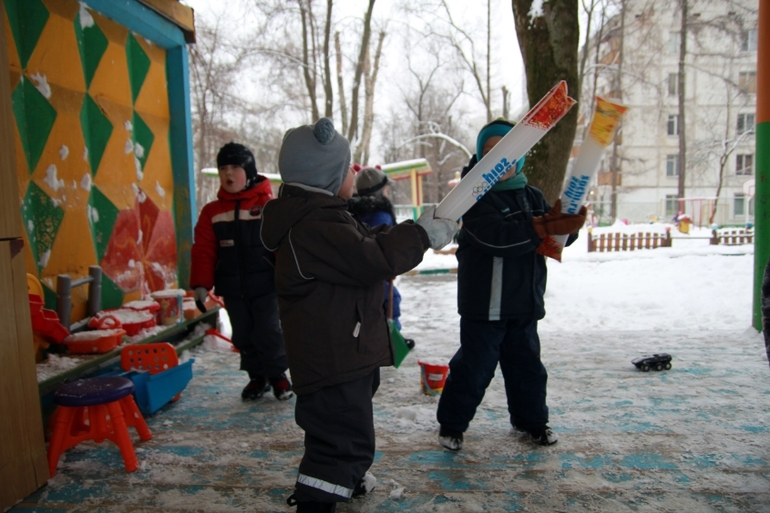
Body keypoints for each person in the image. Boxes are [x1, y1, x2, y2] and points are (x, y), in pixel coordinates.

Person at [259, 118, 457, 513]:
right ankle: (319, 498)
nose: (353, 175)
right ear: (329, 176)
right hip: (333, 354)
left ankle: (344, 480)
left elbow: (364, 244)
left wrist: (414, 227)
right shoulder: (315, 223)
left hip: (337, 348)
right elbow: (372, 259)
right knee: (342, 441)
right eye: (348, 168)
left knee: (344, 426)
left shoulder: (319, 216)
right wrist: (420, 237)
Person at [436, 119, 586, 451]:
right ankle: (452, 425)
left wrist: (566, 225)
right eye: (490, 152)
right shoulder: (471, 198)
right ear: (480, 156)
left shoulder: (531, 195)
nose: (500, 160)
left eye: (508, 152)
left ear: (520, 157)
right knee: (474, 369)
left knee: (527, 369)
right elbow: (498, 239)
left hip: (523, 304)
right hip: (484, 306)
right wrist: (543, 227)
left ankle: (532, 422)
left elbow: (553, 240)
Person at [190, 142, 293, 402]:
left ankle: (279, 375)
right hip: (234, 288)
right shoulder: (212, 212)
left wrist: (289, 279)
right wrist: (201, 284)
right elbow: (203, 249)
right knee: (244, 334)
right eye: (223, 167)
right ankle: (257, 377)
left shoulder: (267, 206)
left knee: (269, 331)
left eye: (235, 167)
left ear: (248, 171)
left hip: (266, 286)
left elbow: (282, 246)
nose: (228, 173)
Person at [346, 166, 413, 348]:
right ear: (379, 191)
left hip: (360, 271)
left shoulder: (351, 212)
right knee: (390, 301)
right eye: (386, 189)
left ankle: (388, 338)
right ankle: (392, 340)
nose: (388, 193)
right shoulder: (381, 214)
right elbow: (385, 244)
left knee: (371, 306)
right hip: (379, 270)